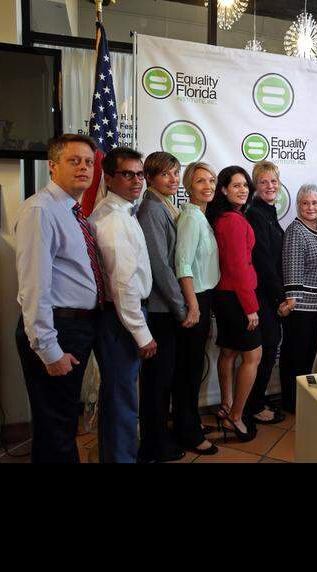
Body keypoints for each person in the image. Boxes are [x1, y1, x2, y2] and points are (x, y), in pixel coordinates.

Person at [14, 134, 104, 463]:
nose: (84, 167)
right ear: (53, 167)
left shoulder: (72, 211)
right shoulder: (41, 210)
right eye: (74, 161)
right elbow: (33, 287)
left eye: (89, 162)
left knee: (62, 423)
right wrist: (49, 349)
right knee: (56, 426)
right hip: (57, 328)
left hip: (75, 326)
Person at [87, 147, 161, 462]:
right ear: (108, 177)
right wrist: (141, 333)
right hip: (121, 319)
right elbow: (123, 284)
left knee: (119, 398)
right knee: (122, 400)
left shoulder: (122, 211)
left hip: (121, 316)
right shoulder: (113, 219)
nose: (136, 181)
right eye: (127, 174)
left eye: (140, 174)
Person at [136, 151, 189, 460]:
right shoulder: (151, 210)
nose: (173, 179)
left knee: (166, 379)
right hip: (161, 310)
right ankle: (154, 445)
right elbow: (160, 265)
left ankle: (161, 436)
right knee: (157, 382)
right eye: (166, 174)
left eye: (176, 173)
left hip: (168, 308)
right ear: (151, 177)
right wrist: (182, 307)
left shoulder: (166, 205)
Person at [206, 166, 261, 443]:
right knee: (253, 355)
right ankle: (236, 416)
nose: (242, 190)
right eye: (235, 185)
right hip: (236, 297)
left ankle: (226, 406)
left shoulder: (227, 217)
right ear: (223, 190)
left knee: (228, 352)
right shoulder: (232, 221)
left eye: (245, 185)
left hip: (226, 296)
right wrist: (250, 307)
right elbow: (238, 267)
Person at [172, 160, 221, 456]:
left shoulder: (200, 216)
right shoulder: (190, 218)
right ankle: (187, 432)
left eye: (212, 181)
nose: (208, 186)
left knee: (192, 368)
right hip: (196, 299)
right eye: (201, 181)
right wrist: (192, 305)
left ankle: (187, 422)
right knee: (188, 370)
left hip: (203, 298)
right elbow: (183, 264)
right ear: (189, 186)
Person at [277, 184, 317, 414]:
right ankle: (291, 402)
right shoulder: (296, 230)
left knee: (305, 356)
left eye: (315, 202)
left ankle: (300, 399)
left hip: (314, 305)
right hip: (299, 307)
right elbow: (292, 266)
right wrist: (292, 299)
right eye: (305, 203)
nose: (310, 207)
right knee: (294, 357)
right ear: (298, 206)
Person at [244, 161, 286, 426]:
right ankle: (254, 406)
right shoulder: (256, 214)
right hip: (263, 297)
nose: (270, 186)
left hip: (269, 296)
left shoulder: (268, 212)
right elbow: (264, 262)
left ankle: (257, 399)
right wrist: (279, 297)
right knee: (266, 351)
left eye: (273, 181)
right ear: (255, 187)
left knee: (269, 351)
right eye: (263, 182)